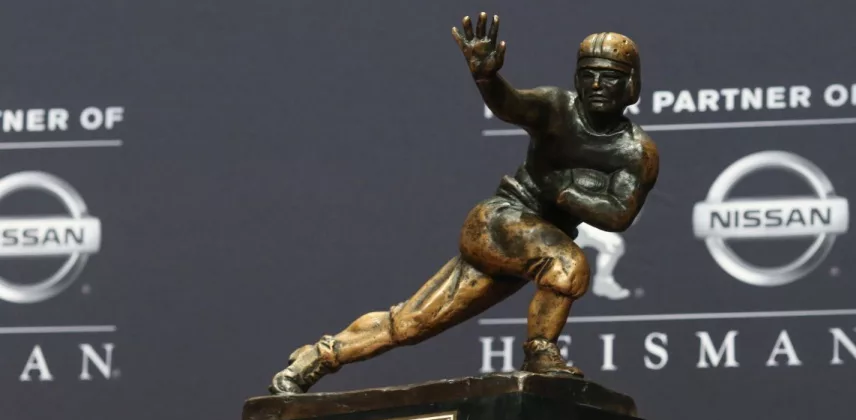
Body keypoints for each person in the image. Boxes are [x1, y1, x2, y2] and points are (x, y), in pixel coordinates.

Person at [270, 13, 659, 394]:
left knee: (412, 323)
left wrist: (566, 193)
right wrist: (487, 77)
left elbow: (618, 214)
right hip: (500, 221)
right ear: (576, 79)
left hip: (531, 247)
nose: (596, 84)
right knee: (567, 265)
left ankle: (317, 358)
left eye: (609, 76)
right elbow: (512, 104)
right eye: (587, 74)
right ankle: (540, 352)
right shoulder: (556, 106)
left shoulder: (635, 151)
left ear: (631, 86)